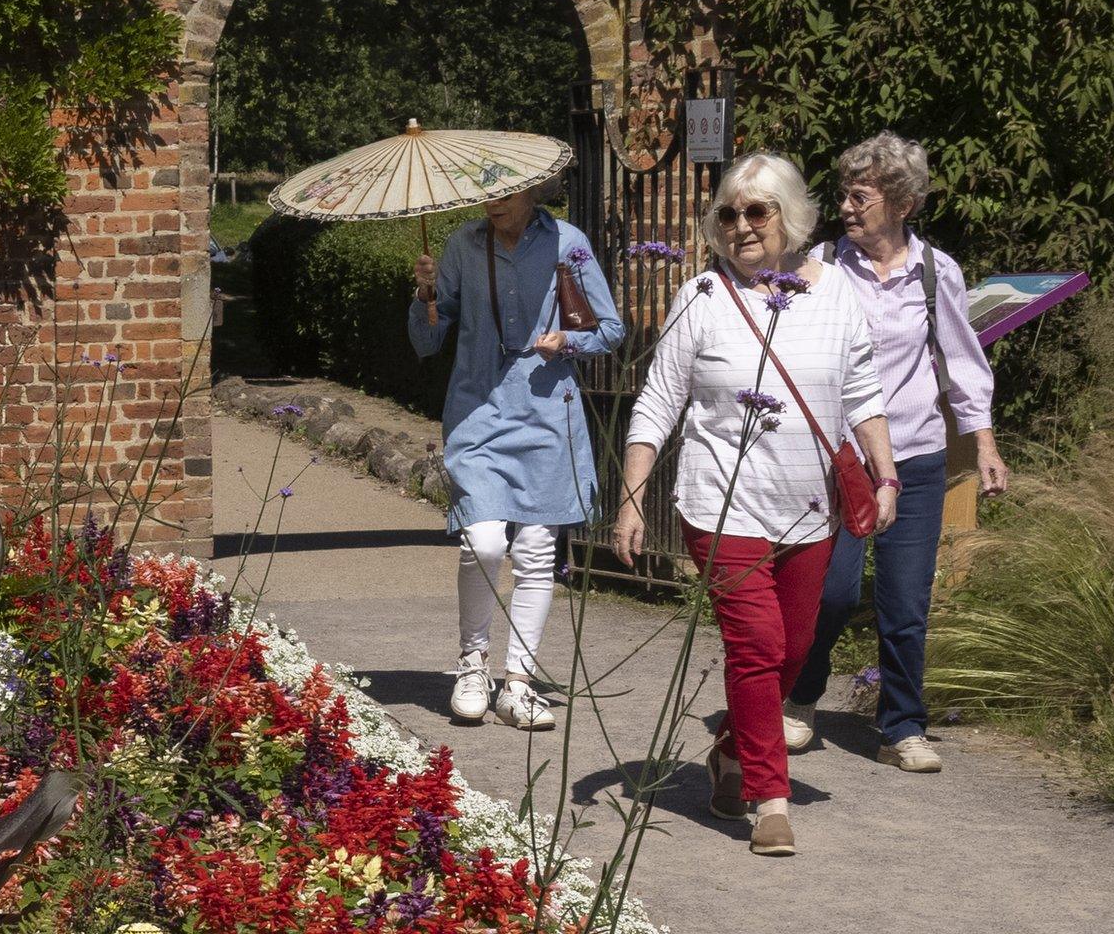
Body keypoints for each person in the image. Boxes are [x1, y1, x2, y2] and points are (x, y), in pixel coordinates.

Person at [610, 152, 899, 857]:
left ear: (792, 217)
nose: (741, 226)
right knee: (758, 646)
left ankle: (733, 750)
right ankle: (770, 798)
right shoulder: (704, 297)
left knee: (795, 653)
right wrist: (631, 497)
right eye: (730, 214)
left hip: (809, 509)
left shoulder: (835, 295)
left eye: (758, 212)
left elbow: (861, 394)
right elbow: (657, 403)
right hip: (720, 503)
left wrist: (886, 475)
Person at [782, 131, 1006, 773]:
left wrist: (984, 443)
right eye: (845, 196)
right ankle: (800, 699)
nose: (846, 208)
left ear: (902, 203)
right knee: (831, 591)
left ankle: (902, 727)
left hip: (916, 458)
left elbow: (963, 362)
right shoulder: (817, 268)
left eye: (861, 197)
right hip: (841, 461)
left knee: (905, 603)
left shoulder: (936, 272)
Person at [409, 184, 624, 731]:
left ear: (533, 192)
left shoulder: (566, 243)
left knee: (534, 549)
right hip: (477, 411)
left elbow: (610, 329)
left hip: (549, 412)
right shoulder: (462, 244)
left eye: (506, 193)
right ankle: (472, 664)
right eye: (487, 193)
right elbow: (429, 342)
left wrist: (567, 344)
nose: (494, 202)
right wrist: (425, 296)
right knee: (483, 541)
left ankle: (520, 683)